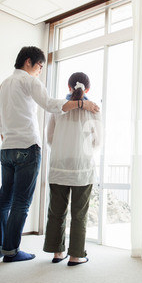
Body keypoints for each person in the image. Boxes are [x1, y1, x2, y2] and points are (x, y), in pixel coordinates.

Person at [0, 47, 100, 263]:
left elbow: (0, 120)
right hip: (27, 146)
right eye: (40, 66)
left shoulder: (4, 84)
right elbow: (50, 105)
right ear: (29, 62)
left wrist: (8, 141)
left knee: (4, 199)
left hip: (7, 147)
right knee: (21, 202)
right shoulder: (29, 81)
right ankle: (11, 251)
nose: (40, 71)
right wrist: (81, 103)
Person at [43, 72, 103, 266]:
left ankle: (57, 252)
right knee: (79, 214)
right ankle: (76, 255)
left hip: (59, 166)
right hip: (82, 167)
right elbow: (98, 141)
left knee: (56, 212)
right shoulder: (93, 109)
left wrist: (63, 149)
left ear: (69, 87)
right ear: (88, 89)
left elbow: (50, 138)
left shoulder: (58, 108)